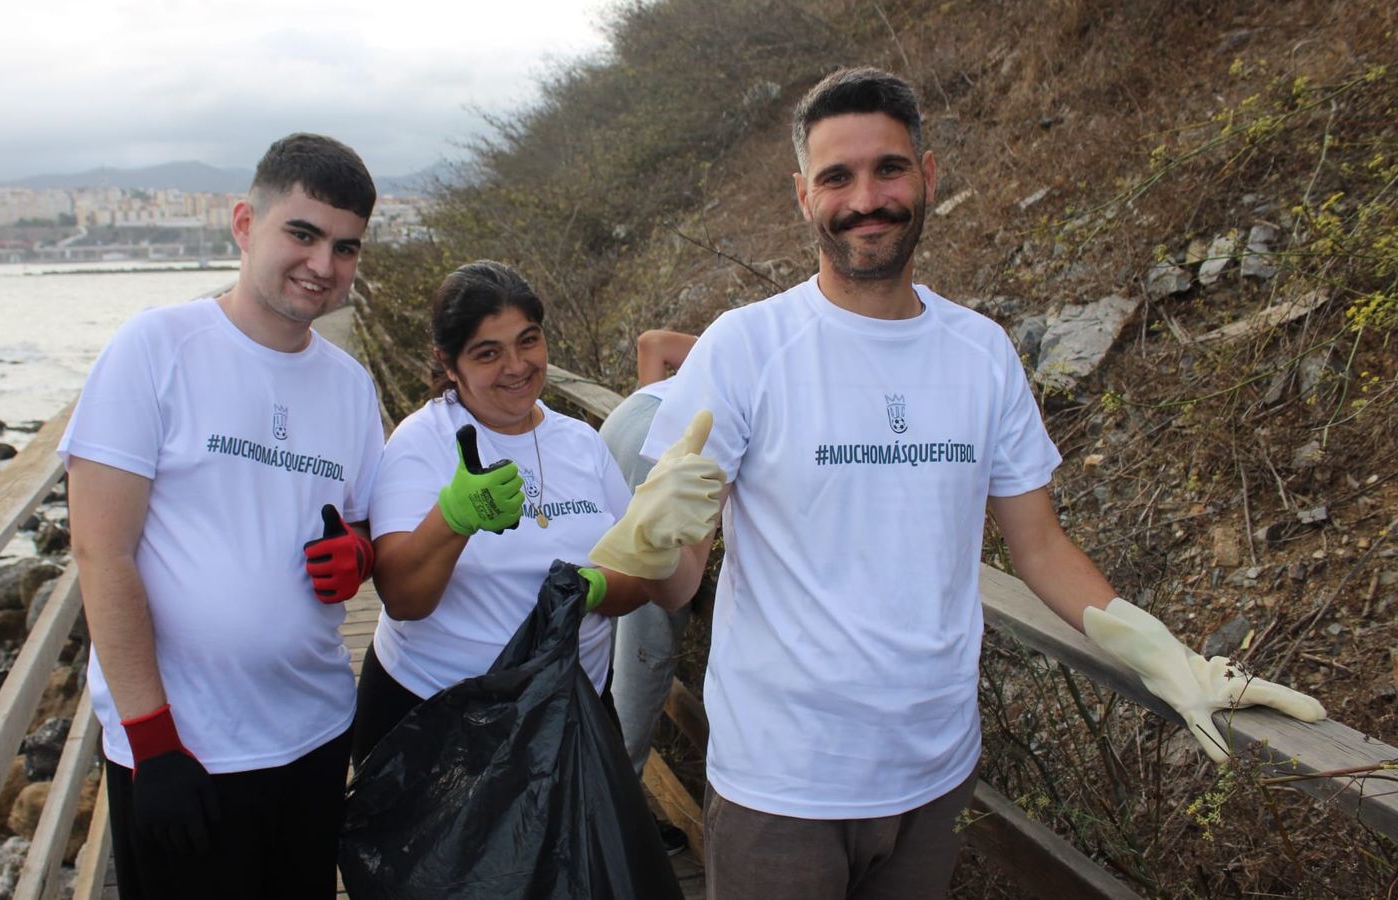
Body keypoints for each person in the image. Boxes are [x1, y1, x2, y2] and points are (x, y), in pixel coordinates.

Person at [593, 67, 1328, 899]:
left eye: (889, 169)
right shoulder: (746, 347)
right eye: (838, 176)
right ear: (804, 195)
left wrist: (1162, 653)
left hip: (936, 777)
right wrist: (653, 543)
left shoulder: (981, 352)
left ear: (929, 176)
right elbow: (681, 573)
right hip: (783, 783)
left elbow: (1041, 546)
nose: (866, 198)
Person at [60, 133, 384, 899]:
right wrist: (153, 744)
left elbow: (362, 521)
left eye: (345, 248)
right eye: (301, 234)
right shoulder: (156, 348)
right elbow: (100, 552)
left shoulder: (349, 386)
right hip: (187, 753)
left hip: (312, 734)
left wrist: (359, 556)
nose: (322, 264)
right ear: (245, 224)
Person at [350, 262, 718, 765]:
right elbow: (403, 599)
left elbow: (636, 573)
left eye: (528, 340)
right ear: (448, 362)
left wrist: (598, 587)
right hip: (438, 723)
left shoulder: (581, 443)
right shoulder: (422, 444)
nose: (517, 365)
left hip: (571, 717)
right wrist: (453, 520)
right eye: (487, 353)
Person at [601, 329, 698, 856]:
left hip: (631, 420)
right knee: (650, 636)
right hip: (653, 447)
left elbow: (652, 343)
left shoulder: (736, 341)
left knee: (609, 618)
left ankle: (601, 795)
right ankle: (611, 817)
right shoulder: (793, 361)